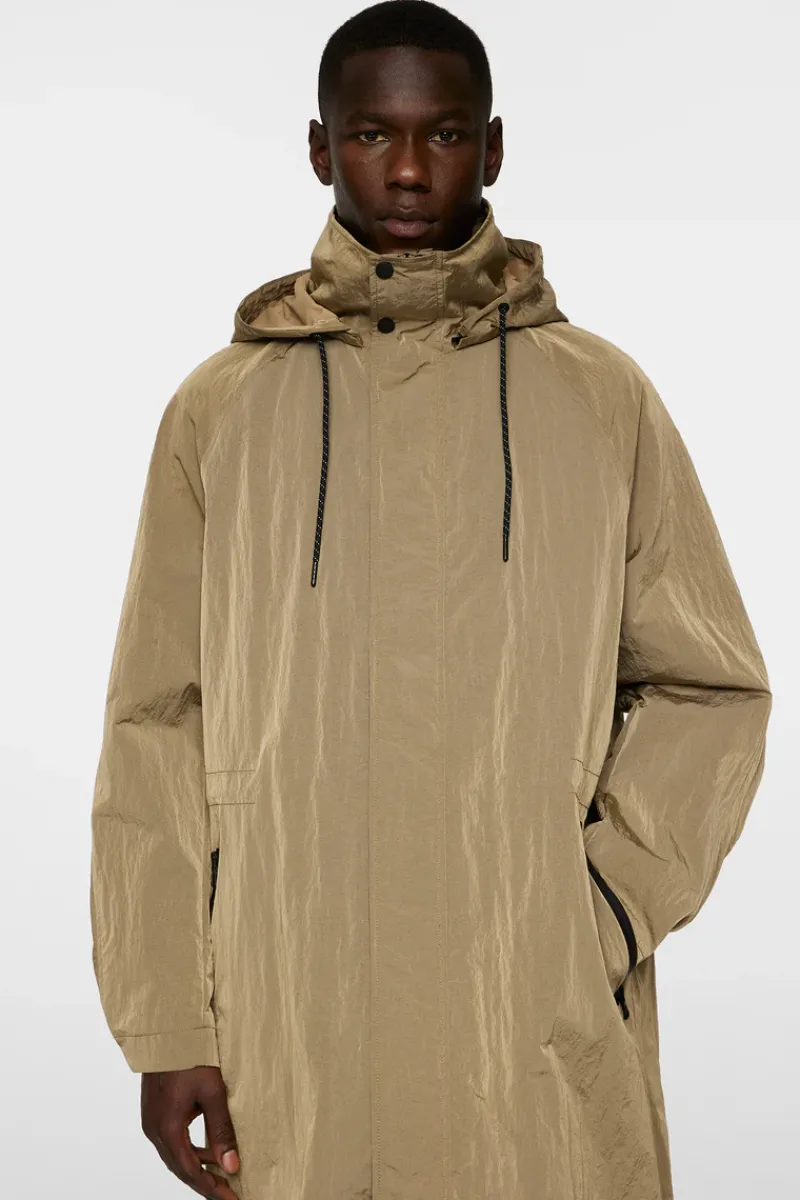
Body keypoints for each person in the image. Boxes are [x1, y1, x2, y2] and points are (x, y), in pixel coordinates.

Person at [88, 2, 772, 1198]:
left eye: (443, 134)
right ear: (320, 148)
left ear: (491, 148)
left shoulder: (598, 397)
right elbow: (157, 720)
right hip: (289, 1008)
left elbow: (706, 685)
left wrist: (598, 907)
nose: (406, 168)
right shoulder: (221, 408)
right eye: (371, 134)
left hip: (529, 1011)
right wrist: (165, 1021)